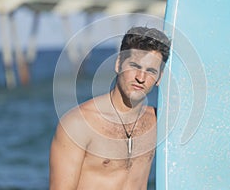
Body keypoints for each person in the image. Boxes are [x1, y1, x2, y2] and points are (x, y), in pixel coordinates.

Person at [49, 26, 171, 190]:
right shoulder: (78, 124)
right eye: (134, 66)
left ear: (159, 77)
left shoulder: (158, 121)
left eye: (150, 71)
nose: (141, 78)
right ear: (118, 64)